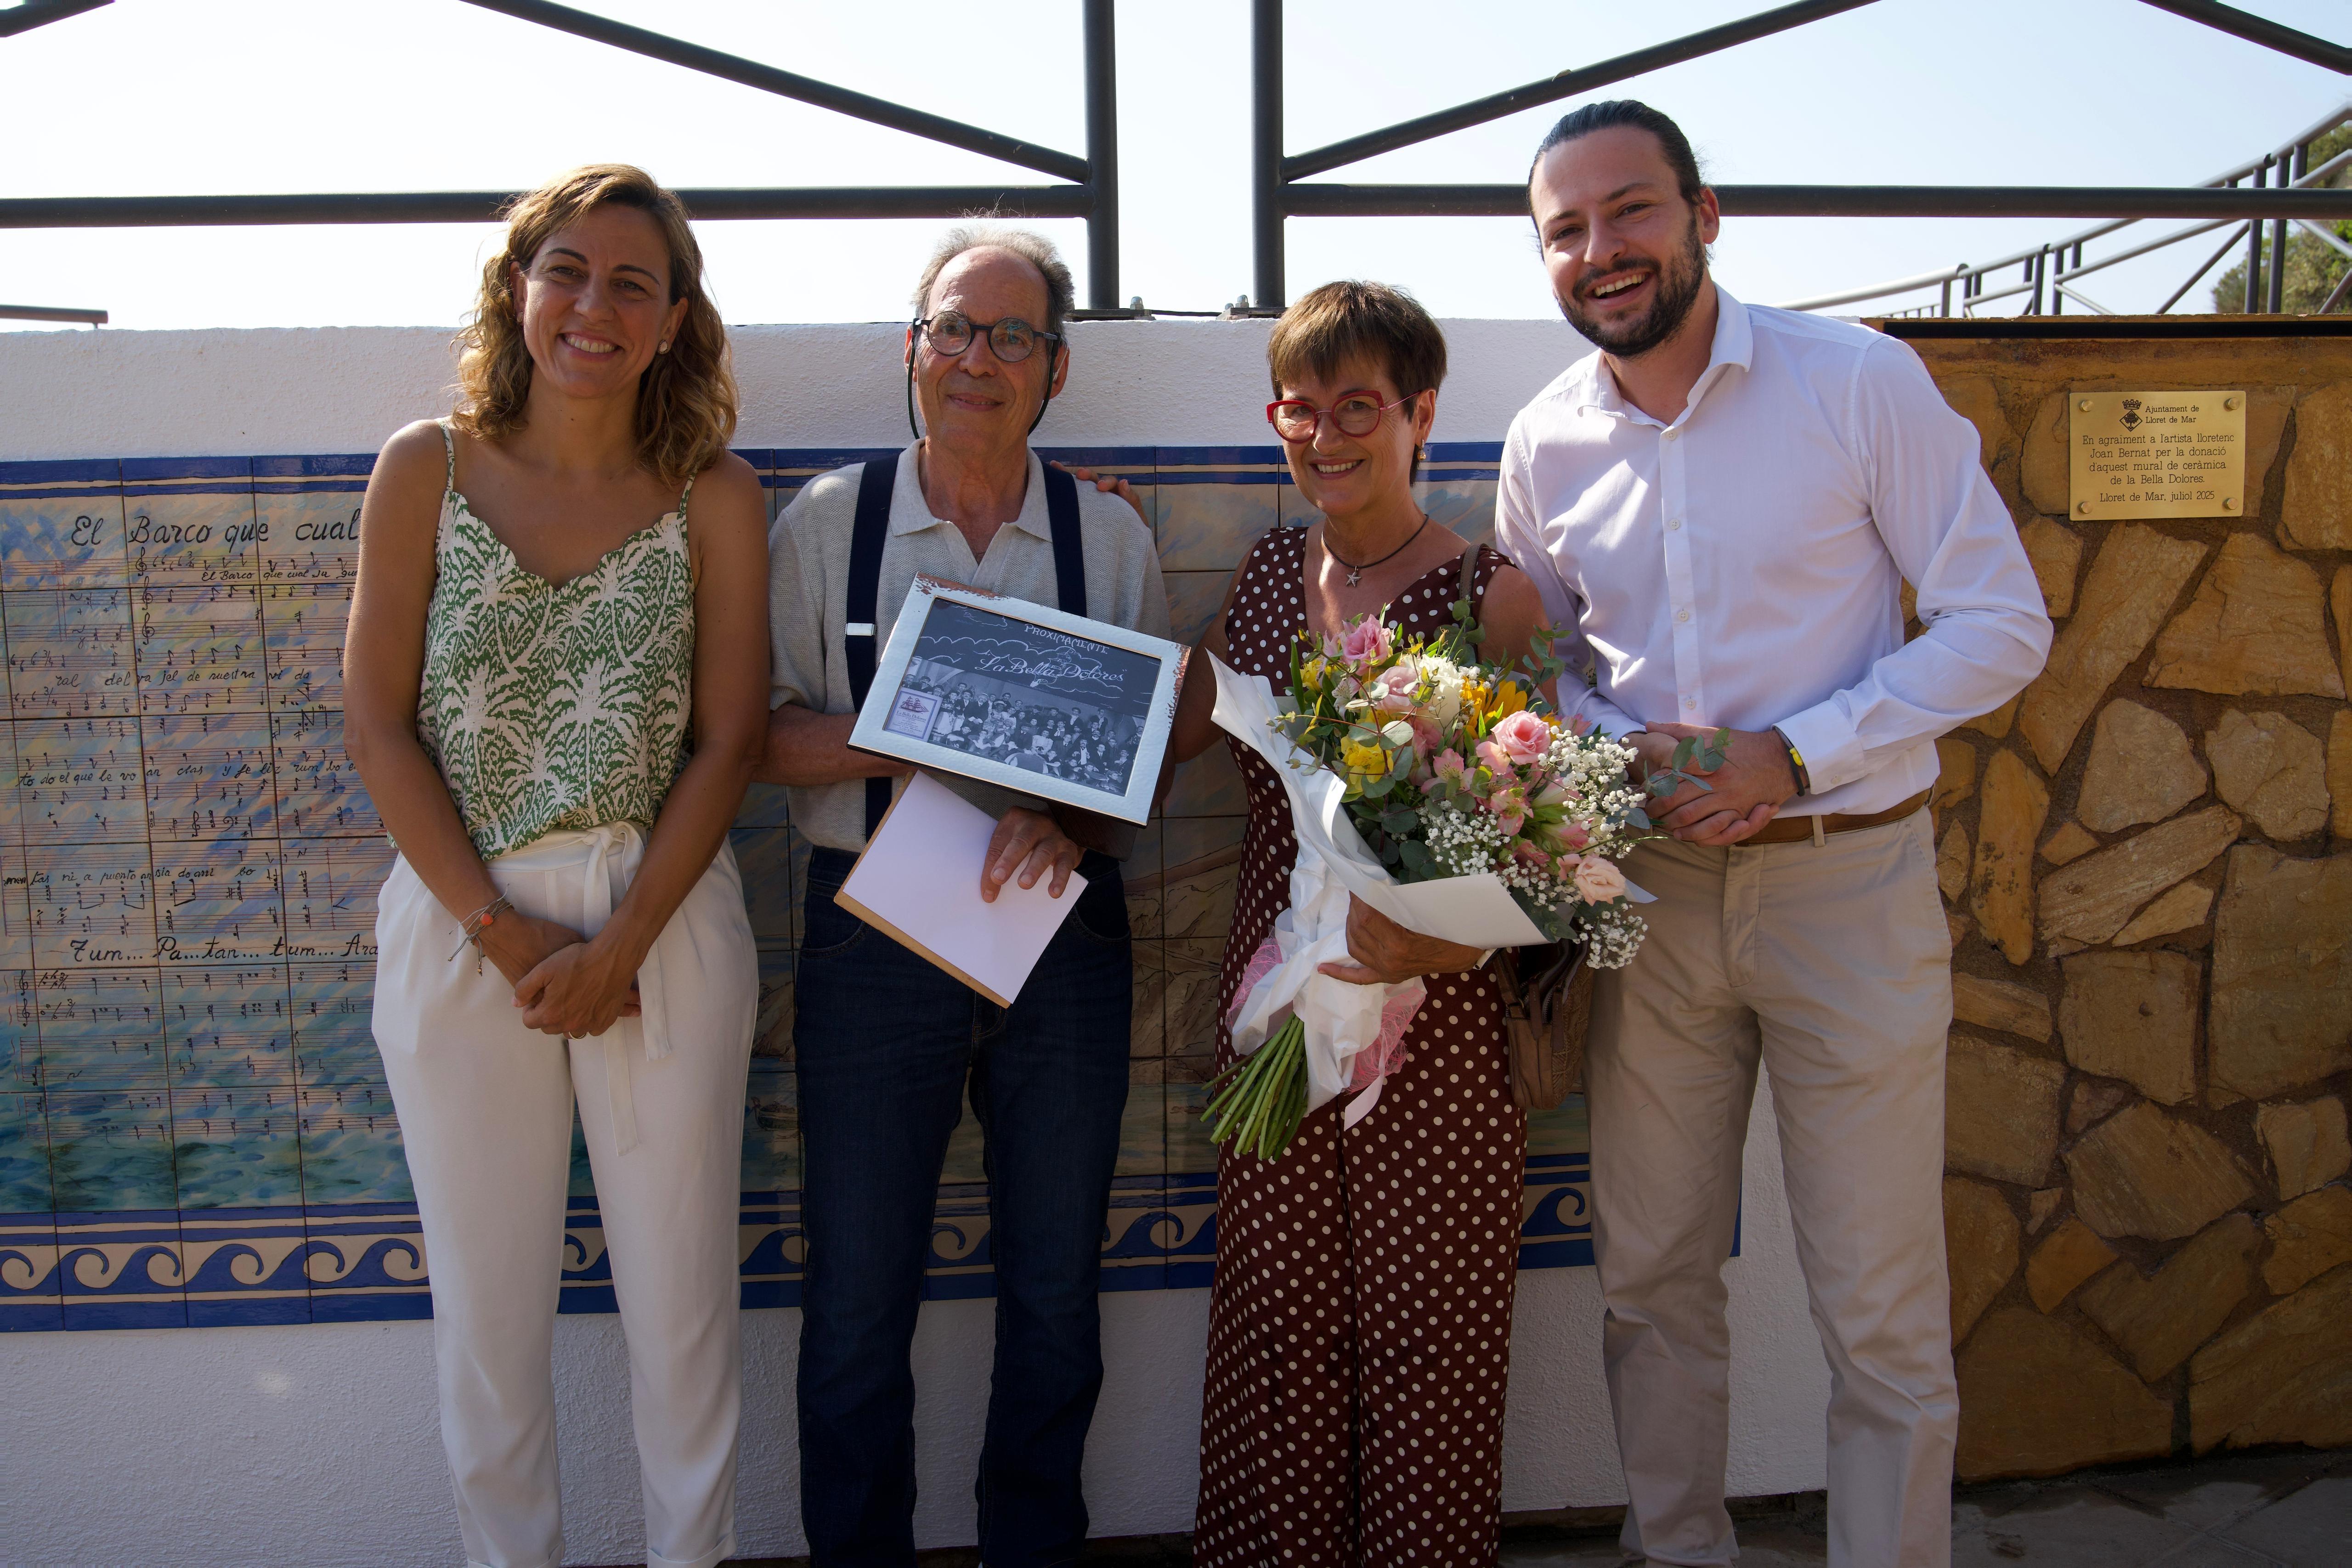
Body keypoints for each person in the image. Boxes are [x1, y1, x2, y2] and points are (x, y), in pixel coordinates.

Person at [1500, 102, 2052, 1568]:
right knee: (1650, 1282)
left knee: (1879, 1307)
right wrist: (1612, 747)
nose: (1602, 250)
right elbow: (1542, 664)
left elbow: (2003, 622)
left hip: (1846, 890)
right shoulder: (1547, 440)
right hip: (1653, 900)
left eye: (1631, 210)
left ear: (1704, 215)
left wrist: (1796, 753)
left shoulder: (1855, 380)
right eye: (1567, 229)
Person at [346, 165, 769, 1568]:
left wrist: (621, 944)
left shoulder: (715, 495)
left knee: (684, 1315)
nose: (596, 305)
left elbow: (730, 740)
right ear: (518, 288)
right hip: (462, 921)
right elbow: (376, 725)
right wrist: (506, 933)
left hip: (661, 924)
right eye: (568, 271)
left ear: (673, 320)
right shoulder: (426, 469)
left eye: (633, 283)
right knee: (486, 1325)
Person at [759, 223, 1171, 1568]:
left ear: (1056, 367)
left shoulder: (1106, 535)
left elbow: (1140, 772)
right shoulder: (830, 522)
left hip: (1062, 937)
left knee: (1055, 1291)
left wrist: (1071, 819)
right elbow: (761, 739)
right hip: (871, 935)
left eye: (1011, 336)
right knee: (857, 1297)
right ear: (913, 348)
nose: (976, 359)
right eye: (953, 329)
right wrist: (928, 720)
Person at [1160, 280, 1555, 1567]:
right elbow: (1182, 724)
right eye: (1300, 409)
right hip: (1282, 1005)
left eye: (1358, 407)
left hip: (1434, 1033)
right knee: (1279, 1325)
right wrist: (1103, 536)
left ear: (1421, 413)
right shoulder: (1272, 573)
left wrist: (1435, 942)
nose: (1325, 436)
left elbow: (1557, 854)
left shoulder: (1492, 598)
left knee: (1428, 1336)